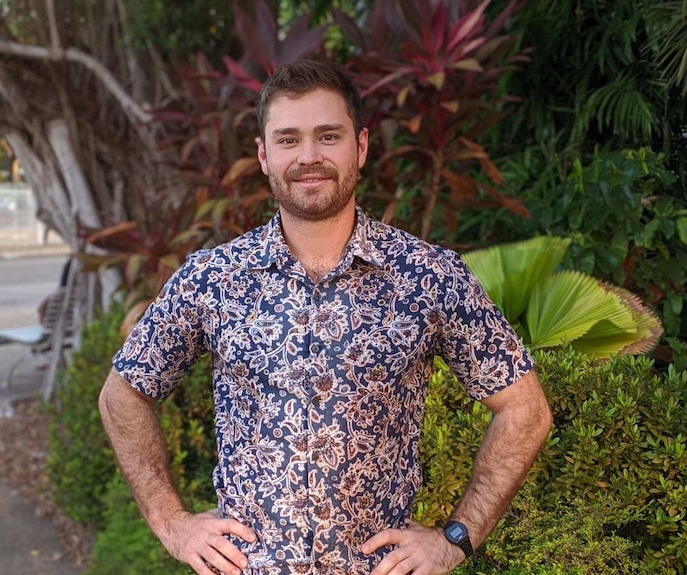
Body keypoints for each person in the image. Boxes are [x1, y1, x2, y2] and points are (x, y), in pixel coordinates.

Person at [98, 59, 552, 575]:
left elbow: (525, 410)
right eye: (288, 140)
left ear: (360, 146)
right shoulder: (214, 277)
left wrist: (454, 539)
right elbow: (123, 392)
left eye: (327, 136)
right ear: (264, 155)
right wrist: (172, 522)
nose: (308, 157)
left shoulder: (430, 276)